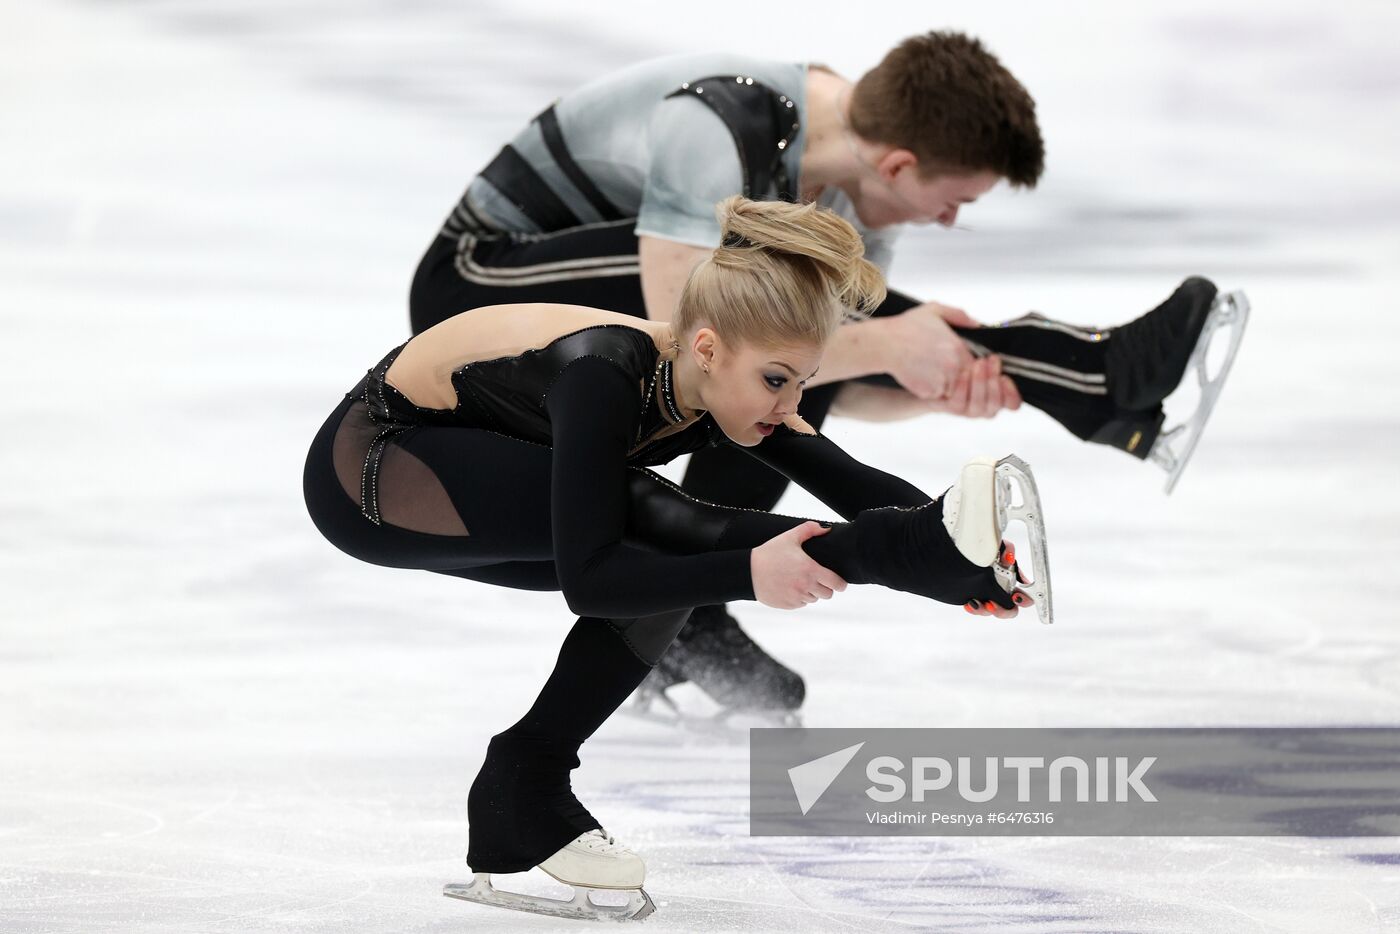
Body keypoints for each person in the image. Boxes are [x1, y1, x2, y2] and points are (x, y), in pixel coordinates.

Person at [404, 31, 1234, 719]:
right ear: (902, 164)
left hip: (623, 324)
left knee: (811, 314)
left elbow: (808, 379)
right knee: (774, 301)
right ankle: (1089, 377)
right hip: (484, 285)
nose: (948, 221)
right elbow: (684, 335)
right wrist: (886, 345)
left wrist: (940, 387)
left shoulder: (847, 196)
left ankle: (1084, 388)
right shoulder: (722, 121)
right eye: (953, 202)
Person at [303, 197, 1048, 921]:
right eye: (779, 380)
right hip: (372, 468)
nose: (791, 406)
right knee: (659, 523)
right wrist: (756, 574)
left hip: (474, 465)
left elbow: (858, 489)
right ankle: (525, 781)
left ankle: (519, 787)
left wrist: (961, 565)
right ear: (707, 349)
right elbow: (594, 582)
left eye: (803, 384)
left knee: (666, 543)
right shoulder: (602, 373)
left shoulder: (729, 382)